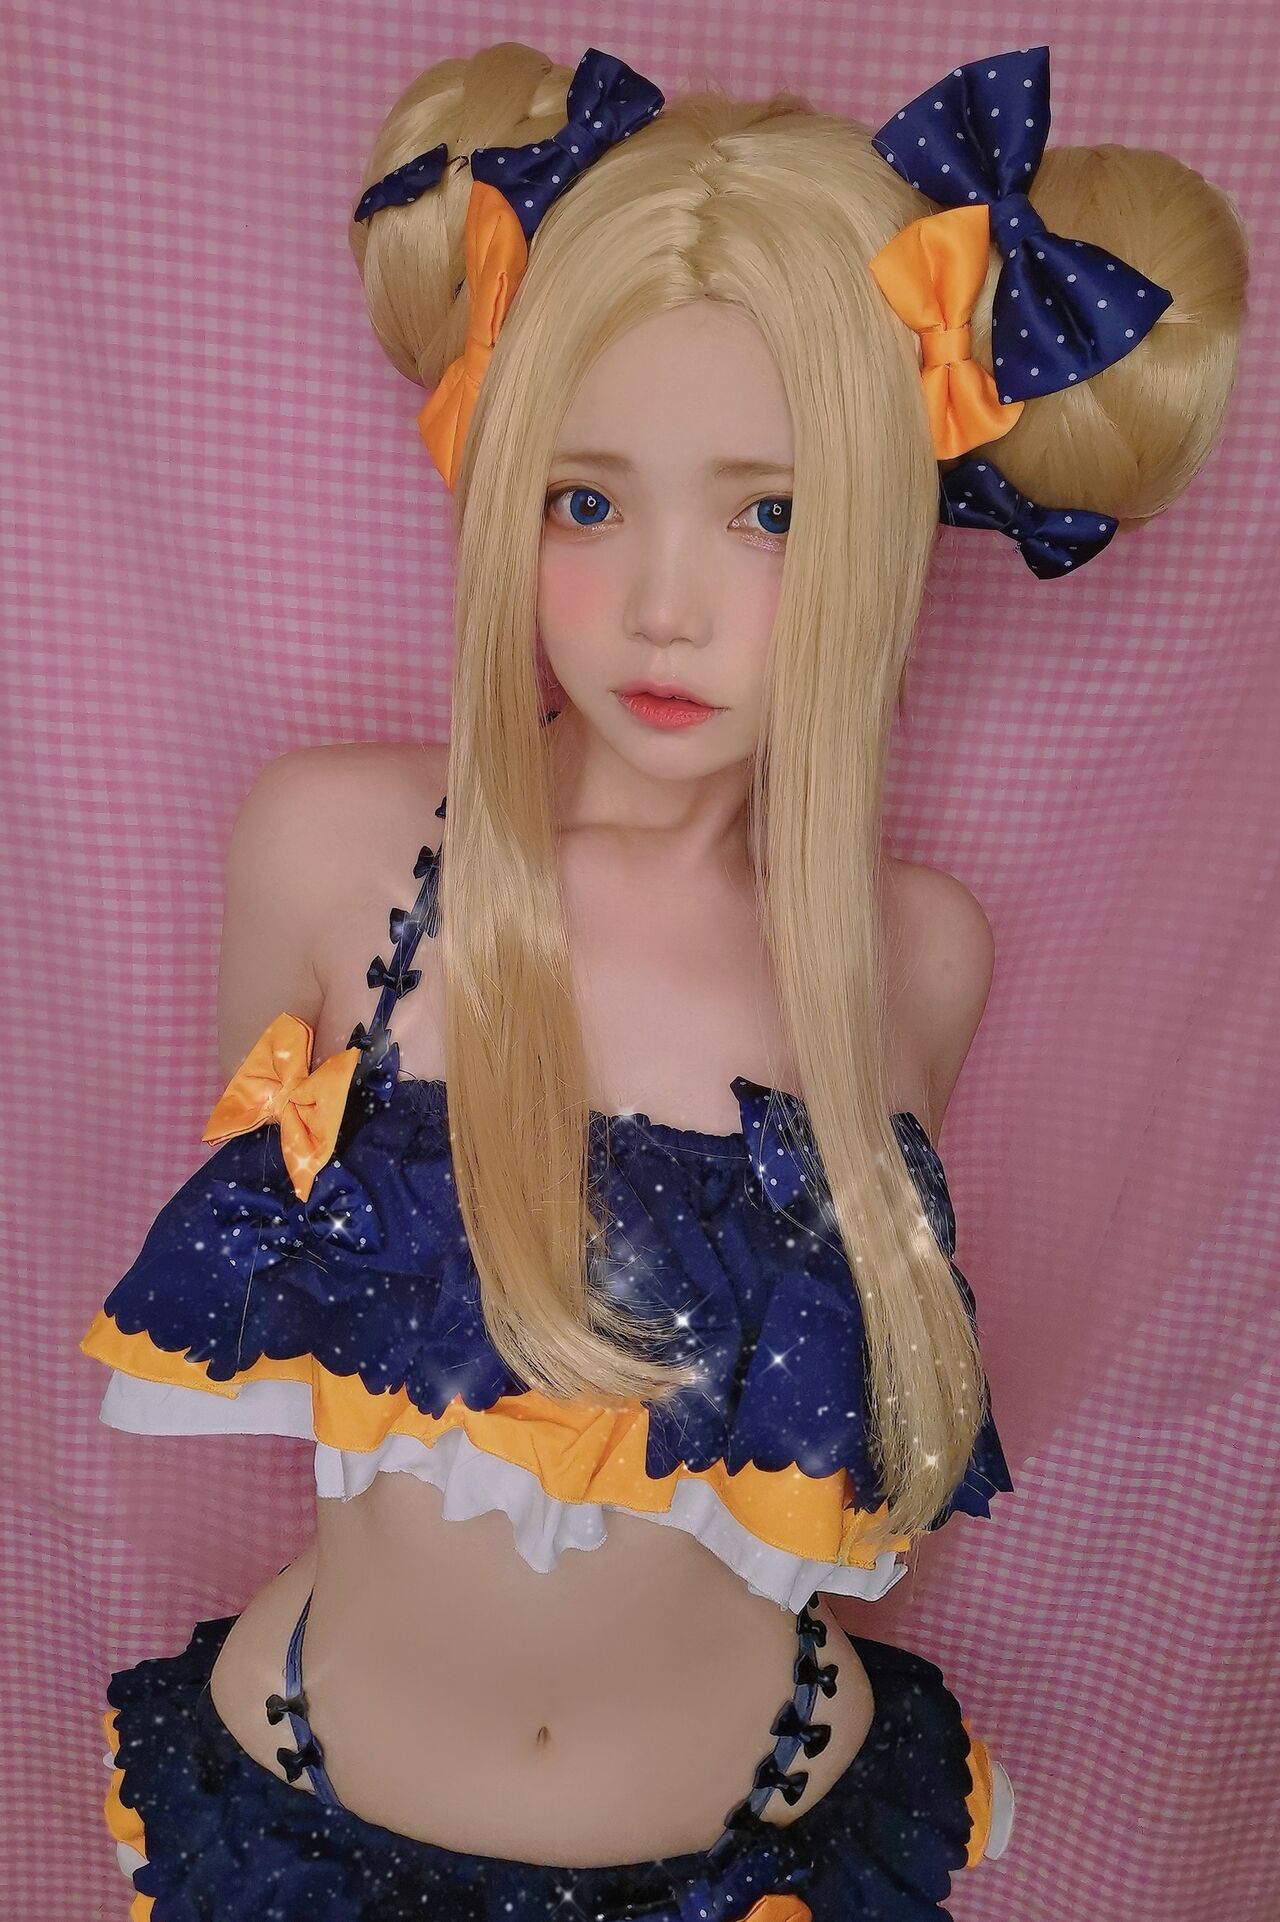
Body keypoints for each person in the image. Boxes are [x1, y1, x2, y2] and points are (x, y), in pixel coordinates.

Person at [80, 39, 1248, 1922]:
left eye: (770, 513)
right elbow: (275, 1314)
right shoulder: (326, 854)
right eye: (588, 501)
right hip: (310, 1795)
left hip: (768, 1825)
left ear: (885, 528)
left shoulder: (911, 958)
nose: (663, 608)